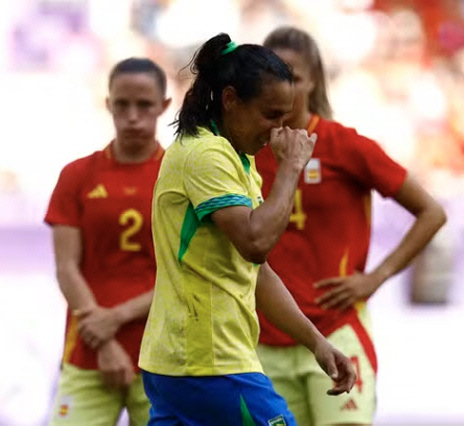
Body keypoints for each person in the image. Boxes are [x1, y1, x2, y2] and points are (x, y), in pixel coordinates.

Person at [139, 33, 356, 425]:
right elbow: (256, 243)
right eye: (270, 115)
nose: (278, 131)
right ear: (230, 99)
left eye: (285, 118)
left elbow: (257, 272)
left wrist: (317, 344)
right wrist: (292, 168)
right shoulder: (206, 154)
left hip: (181, 362)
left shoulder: (236, 157)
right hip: (209, 363)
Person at [254, 26, 448, 426]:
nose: (283, 87)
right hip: (263, 338)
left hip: (337, 327)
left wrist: (375, 278)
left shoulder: (346, 146)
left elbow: (432, 212)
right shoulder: (245, 153)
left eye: (293, 75)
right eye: (271, 75)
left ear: (314, 81)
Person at [44, 57, 171, 425]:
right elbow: (66, 267)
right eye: (122, 104)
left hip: (161, 356)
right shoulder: (77, 175)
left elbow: (185, 272)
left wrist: (113, 318)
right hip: (88, 353)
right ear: (108, 104)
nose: (133, 116)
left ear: (163, 106)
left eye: (144, 105)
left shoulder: (180, 177)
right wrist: (103, 338)